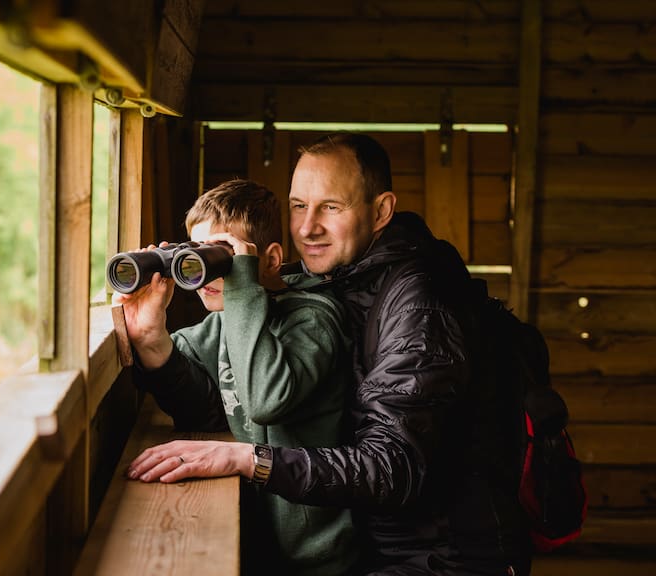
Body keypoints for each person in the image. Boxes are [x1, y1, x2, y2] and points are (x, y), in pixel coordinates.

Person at [128, 134, 532, 575]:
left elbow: (390, 467)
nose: (307, 228)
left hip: (441, 558)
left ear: (380, 211)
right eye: (299, 206)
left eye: (331, 207)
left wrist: (249, 460)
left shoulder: (421, 305)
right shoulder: (339, 279)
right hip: (379, 547)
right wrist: (151, 339)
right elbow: (235, 405)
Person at [118, 179, 359, 575]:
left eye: (221, 255)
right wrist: (150, 338)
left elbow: (266, 401)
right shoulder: (226, 321)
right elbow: (200, 408)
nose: (206, 272)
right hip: (256, 541)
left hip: (313, 560)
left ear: (268, 259)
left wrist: (243, 287)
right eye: (195, 255)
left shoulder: (312, 319)